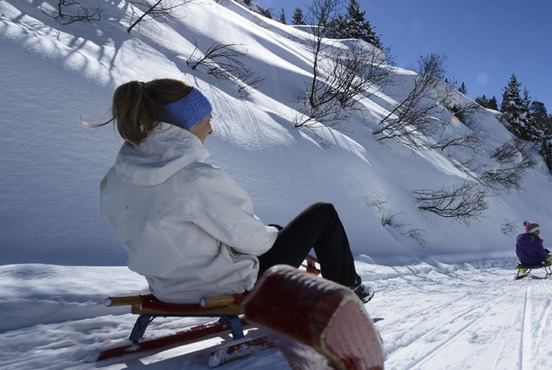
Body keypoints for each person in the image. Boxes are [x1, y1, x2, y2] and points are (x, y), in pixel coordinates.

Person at [96, 78, 371, 304]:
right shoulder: (195, 178)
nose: (211, 129)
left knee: (274, 230)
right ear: (186, 124)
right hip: (222, 284)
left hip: (166, 288)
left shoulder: (114, 180)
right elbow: (256, 243)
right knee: (322, 214)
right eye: (206, 120)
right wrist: (273, 234)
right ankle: (349, 292)